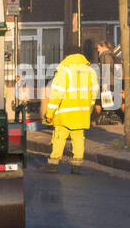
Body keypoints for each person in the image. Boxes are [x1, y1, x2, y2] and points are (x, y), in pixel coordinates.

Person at [41, 40, 99, 175]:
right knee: (79, 139)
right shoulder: (90, 71)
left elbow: (56, 94)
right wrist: (88, 110)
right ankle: (77, 166)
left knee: (59, 137)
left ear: (67, 55)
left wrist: (50, 113)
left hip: (65, 113)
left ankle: (53, 165)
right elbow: (94, 92)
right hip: (82, 112)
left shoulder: (64, 70)